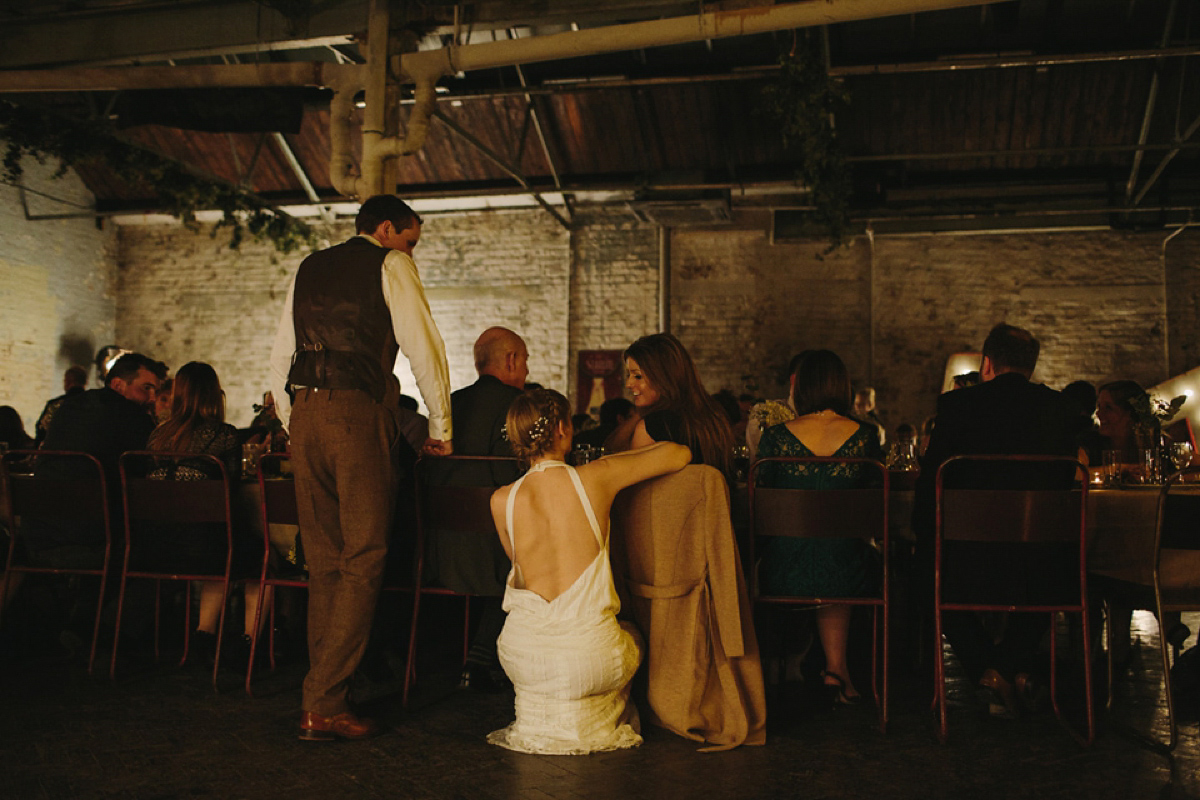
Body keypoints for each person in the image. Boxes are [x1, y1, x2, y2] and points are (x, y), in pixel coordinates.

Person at [269, 194, 453, 742]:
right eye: (411, 240)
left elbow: (281, 352)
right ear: (388, 229)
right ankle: (322, 702)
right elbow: (425, 347)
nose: (413, 253)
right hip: (356, 412)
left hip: (305, 412)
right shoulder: (389, 264)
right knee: (365, 555)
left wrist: (291, 419)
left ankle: (326, 695)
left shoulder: (309, 267)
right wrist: (441, 428)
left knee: (324, 560)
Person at [487, 388, 691, 754]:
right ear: (565, 429)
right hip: (589, 659)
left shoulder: (501, 500)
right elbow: (679, 454)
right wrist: (621, 454)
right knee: (632, 632)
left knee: (565, 645)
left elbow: (517, 562)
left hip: (521, 658)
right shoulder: (598, 477)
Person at [913, 323, 1079, 717]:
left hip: (966, 559)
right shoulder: (1060, 410)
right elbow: (1061, 487)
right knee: (1062, 575)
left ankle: (987, 669)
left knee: (925, 576)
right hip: (1040, 562)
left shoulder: (957, 407)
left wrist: (924, 534)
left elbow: (932, 482)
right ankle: (1009, 670)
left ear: (987, 363)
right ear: (1031, 367)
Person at [754, 349, 883, 703]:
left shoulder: (777, 437)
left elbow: (761, 503)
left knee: (822, 551)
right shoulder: (866, 436)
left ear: (801, 387)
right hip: (849, 571)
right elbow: (874, 503)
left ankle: (779, 678)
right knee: (840, 551)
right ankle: (836, 670)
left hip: (782, 571)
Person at [143, 362, 265, 668]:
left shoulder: (156, 437)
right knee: (262, 558)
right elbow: (231, 493)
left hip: (154, 549)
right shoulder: (224, 436)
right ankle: (250, 645)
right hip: (206, 551)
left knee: (218, 544)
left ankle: (203, 636)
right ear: (215, 395)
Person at [434, 326, 528, 692]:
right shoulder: (514, 406)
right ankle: (483, 655)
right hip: (489, 550)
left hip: (437, 547)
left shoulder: (449, 404)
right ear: (511, 359)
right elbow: (511, 477)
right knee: (529, 550)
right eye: (525, 362)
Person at [608, 333, 734, 481]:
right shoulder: (714, 419)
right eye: (629, 375)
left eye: (637, 376)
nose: (629, 384)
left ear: (663, 376)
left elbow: (637, 493)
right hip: (714, 504)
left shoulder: (650, 427)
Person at [34, 365, 88, 446]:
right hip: (89, 455)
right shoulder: (96, 404)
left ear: (67, 382)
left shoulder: (55, 405)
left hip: (57, 453)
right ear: (85, 382)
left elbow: (42, 429)